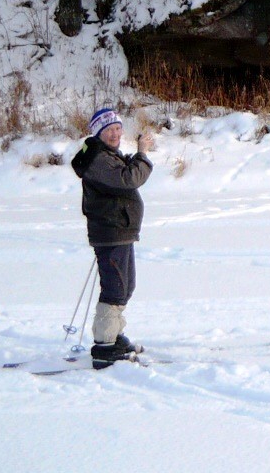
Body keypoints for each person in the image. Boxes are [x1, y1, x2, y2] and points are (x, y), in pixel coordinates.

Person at [71, 107, 154, 369]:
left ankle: (114, 337)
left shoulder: (107, 155)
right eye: (109, 130)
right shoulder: (99, 159)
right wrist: (142, 154)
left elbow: (124, 175)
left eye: (118, 129)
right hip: (111, 233)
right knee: (115, 288)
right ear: (99, 133)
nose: (115, 134)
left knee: (125, 287)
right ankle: (104, 347)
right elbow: (128, 179)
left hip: (121, 231)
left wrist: (135, 156)